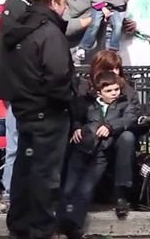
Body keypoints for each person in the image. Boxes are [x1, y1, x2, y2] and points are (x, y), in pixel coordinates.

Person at [4, 0, 76, 239]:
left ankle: (20, 223)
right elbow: (57, 76)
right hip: (48, 112)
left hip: (25, 109)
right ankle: (41, 228)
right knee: (44, 174)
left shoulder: (21, 27)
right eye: (64, 2)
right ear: (53, 3)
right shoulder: (49, 32)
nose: (66, 8)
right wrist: (68, 99)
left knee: (25, 169)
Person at [59, 72, 138, 238]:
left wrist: (110, 126)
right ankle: (62, 220)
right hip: (82, 148)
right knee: (69, 186)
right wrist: (76, 128)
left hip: (102, 151)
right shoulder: (88, 103)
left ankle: (74, 224)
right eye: (109, 91)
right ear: (99, 92)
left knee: (86, 188)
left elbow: (129, 119)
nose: (114, 93)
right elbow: (77, 116)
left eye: (116, 89)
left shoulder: (124, 104)